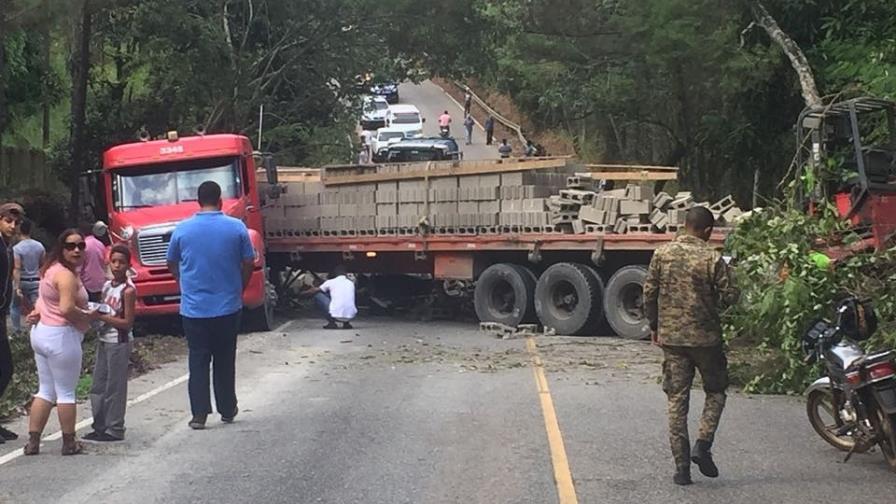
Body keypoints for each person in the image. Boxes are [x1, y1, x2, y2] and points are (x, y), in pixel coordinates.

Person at [643, 206, 738, 486]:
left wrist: (654, 326)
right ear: (708, 231)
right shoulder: (713, 258)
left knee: (676, 401)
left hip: (672, 340)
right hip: (706, 340)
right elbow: (730, 297)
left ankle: (681, 469)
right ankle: (703, 444)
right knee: (716, 391)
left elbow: (649, 291)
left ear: (685, 225)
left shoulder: (662, 253)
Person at [167, 181, 254, 430]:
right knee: (225, 358)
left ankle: (199, 414)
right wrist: (240, 285)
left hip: (194, 308)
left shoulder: (182, 230)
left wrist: (183, 282)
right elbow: (248, 260)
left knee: (198, 359)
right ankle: (227, 408)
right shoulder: (236, 228)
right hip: (228, 304)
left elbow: (171, 262)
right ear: (220, 200)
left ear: (197, 200)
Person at [24, 229, 99, 456]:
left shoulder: (49, 269)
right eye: (70, 246)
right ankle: (69, 442)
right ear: (61, 247)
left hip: (41, 333)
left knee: (45, 390)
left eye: (80, 246)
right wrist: (88, 316)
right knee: (66, 392)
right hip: (61, 336)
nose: (76, 250)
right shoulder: (66, 276)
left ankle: (33, 442)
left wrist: (37, 312)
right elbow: (66, 309)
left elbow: (42, 300)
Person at [84, 244, 136, 442]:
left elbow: (127, 323)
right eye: (113, 262)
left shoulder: (128, 291)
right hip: (103, 338)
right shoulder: (107, 286)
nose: (116, 266)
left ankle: (115, 427)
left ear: (128, 265)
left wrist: (102, 318)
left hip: (118, 341)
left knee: (115, 386)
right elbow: (105, 309)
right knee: (98, 385)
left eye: (121, 263)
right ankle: (99, 425)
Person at [0, 202, 25, 444]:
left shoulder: (8, 247)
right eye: (8, 221)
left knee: (5, 368)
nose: (13, 226)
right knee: (4, 367)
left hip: (2, 314)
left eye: (16, 223)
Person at [12, 219, 46, 332]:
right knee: (36, 306)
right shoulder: (39, 246)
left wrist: (17, 286)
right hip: (36, 280)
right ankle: (37, 327)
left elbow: (17, 268)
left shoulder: (17, 248)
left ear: (19, 230)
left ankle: (17, 332)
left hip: (22, 280)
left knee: (15, 306)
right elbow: (42, 265)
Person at [307, 264, 357, 330]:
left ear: (335, 273)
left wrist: (302, 293)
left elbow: (314, 290)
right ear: (345, 273)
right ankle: (346, 324)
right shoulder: (350, 283)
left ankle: (331, 323)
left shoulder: (331, 282)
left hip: (336, 316)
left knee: (318, 295)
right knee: (344, 297)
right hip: (351, 316)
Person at [79, 221, 108, 302]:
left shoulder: (83, 246)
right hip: (101, 282)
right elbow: (105, 262)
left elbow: (79, 266)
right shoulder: (100, 244)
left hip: (87, 283)